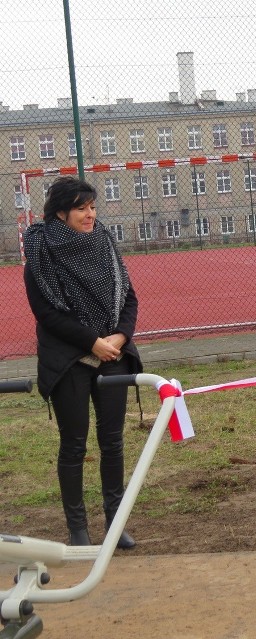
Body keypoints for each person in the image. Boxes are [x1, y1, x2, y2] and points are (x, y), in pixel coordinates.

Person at [23, 176, 142, 548]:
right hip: (69, 358)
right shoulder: (40, 255)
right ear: (60, 213)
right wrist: (92, 342)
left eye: (92, 207)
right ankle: (78, 529)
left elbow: (129, 298)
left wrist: (119, 337)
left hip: (114, 354)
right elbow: (48, 315)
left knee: (113, 441)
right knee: (73, 444)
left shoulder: (106, 245)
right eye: (80, 208)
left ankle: (114, 522)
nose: (90, 214)